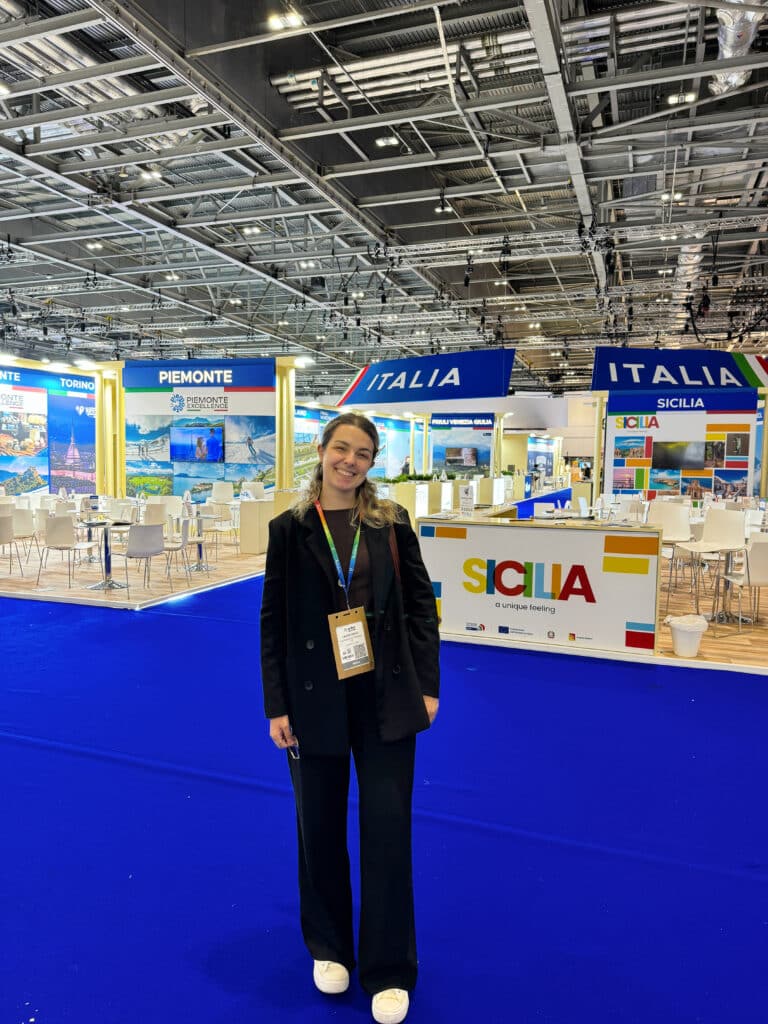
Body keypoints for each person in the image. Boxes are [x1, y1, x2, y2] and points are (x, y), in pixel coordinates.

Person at [260, 413, 440, 1024]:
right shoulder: (289, 528)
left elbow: (421, 608)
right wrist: (276, 704)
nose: (351, 461)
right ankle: (329, 946)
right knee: (319, 827)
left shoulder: (391, 523)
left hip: (385, 696)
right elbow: (273, 622)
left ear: (372, 461)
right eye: (342, 448)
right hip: (313, 699)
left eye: (363, 453)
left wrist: (429, 687)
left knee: (388, 829)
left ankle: (390, 968)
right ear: (322, 449)